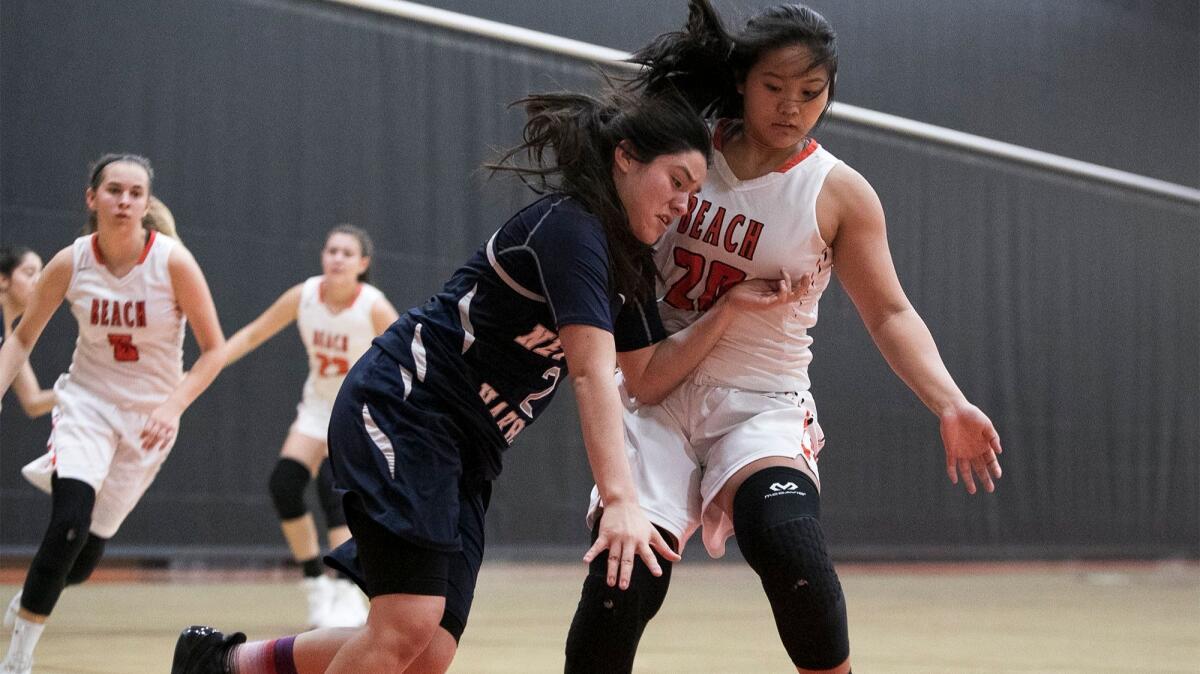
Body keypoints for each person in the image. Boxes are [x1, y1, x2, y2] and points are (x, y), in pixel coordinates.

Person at [171, 88, 808, 674]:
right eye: (677, 181)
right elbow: (590, 373)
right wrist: (620, 498)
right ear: (625, 159)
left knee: (429, 650)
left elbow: (644, 378)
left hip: (467, 449)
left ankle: (222, 665)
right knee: (405, 624)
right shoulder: (570, 229)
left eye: (694, 192)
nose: (682, 203)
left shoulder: (625, 259)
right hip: (409, 406)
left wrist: (726, 312)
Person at [563, 3, 1006, 673]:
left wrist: (947, 401)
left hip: (760, 402)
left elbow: (888, 312)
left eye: (811, 92)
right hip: (655, 389)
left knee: (790, 548)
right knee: (622, 583)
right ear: (742, 80)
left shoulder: (838, 193)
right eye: (775, 86)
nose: (791, 106)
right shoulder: (683, 154)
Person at [0, 155, 226, 674]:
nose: (124, 201)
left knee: (78, 565)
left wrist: (173, 407)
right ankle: (18, 660)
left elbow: (215, 349)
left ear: (146, 204)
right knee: (68, 526)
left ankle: (36, 592)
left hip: (150, 418)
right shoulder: (70, 261)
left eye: (134, 193)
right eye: (114, 190)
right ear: (92, 198)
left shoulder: (172, 262)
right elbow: (23, 337)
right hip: (88, 404)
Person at [220, 224, 399, 628]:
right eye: (331, 250)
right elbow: (252, 334)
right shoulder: (304, 296)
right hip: (317, 407)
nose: (337, 258)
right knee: (283, 484)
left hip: (356, 410)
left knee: (334, 489)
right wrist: (212, 362)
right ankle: (315, 581)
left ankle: (348, 588)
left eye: (346, 253)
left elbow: (408, 357)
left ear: (362, 264)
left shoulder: (372, 305)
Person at [0, 246, 55, 418]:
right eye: (29, 273)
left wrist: (80, 391)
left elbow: (33, 402)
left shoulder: (14, 341)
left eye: (41, 274)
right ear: (3, 279)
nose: (38, 281)